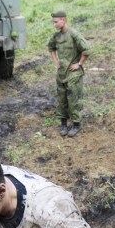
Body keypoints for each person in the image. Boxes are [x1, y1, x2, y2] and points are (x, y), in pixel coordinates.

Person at [47, 9, 90, 138]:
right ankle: (63, 124)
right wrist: (56, 61)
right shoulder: (56, 36)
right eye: (53, 22)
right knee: (62, 99)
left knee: (73, 99)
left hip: (73, 74)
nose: (54, 24)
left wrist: (79, 64)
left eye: (56, 22)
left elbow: (87, 49)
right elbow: (51, 48)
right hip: (61, 73)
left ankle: (76, 124)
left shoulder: (74, 34)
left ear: (64, 20)